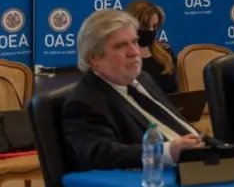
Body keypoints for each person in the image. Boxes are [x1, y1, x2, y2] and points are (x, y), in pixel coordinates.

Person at [63, 10, 204, 171]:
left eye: (134, 42)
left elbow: (180, 126)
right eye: (120, 46)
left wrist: (222, 150)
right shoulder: (84, 102)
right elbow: (102, 155)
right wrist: (167, 152)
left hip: (200, 165)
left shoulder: (144, 80)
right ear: (94, 58)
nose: (134, 52)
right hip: (158, 178)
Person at [124, 0, 177, 94]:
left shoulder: (166, 53)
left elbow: (175, 90)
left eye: (155, 26)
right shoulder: (120, 58)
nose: (151, 31)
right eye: (145, 27)